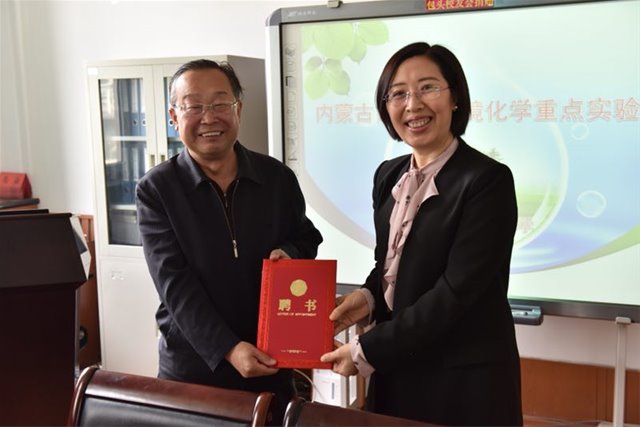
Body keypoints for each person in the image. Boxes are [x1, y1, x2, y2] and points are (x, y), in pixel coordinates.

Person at [320, 42, 523, 426]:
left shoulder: (487, 180)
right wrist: (366, 298)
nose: (413, 105)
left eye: (428, 87)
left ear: (455, 98)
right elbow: (391, 264)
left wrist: (366, 350)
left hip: (463, 382)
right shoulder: (388, 175)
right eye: (398, 94)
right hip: (397, 369)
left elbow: (456, 292)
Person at [135, 59, 323, 423]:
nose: (209, 118)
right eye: (193, 106)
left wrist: (290, 252)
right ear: (174, 117)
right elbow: (174, 283)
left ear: (238, 109)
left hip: (270, 360)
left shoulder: (276, 178)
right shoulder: (157, 189)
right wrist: (228, 349)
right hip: (193, 369)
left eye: (220, 103)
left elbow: (306, 237)